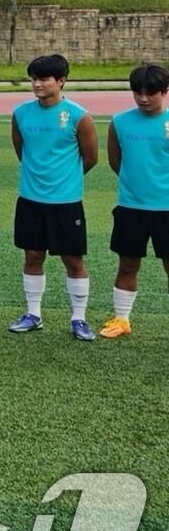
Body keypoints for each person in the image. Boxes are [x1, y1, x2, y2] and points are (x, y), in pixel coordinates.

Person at [8, 54, 99, 341]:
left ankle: (79, 319)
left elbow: (91, 157)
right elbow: (21, 151)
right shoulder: (21, 113)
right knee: (33, 255)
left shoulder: (78, 116)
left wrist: (65, 181)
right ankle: (33, 314)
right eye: (33, 78)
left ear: (61, 81)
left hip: (66, 202)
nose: (37, 84)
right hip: (31, 200)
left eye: (44, 79)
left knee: (73, 260)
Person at [100, 64, 169, 338]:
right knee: (127, 264)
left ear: (164, 91)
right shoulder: (120, 122)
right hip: (131, 207)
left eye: (150, 93)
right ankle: (122, 320)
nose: (143, 99)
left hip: (166, 209)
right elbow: (116, 162)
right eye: (137, 92)